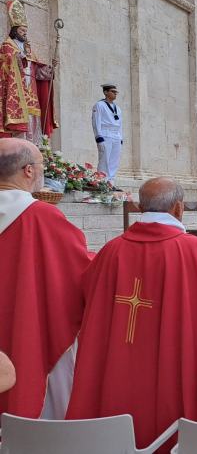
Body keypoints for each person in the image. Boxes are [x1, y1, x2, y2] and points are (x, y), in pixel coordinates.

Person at [65, 178, 197, 450]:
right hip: (173, 374)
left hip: (116, 374)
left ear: (140, 207)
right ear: (179, 209)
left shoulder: (110, 252)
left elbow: (85, 298)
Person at [0, 139, 90, 419]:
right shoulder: (42, 218)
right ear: (28, 171)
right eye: (41, 166)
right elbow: (82, 271)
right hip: (26, 333)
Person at [0, 0, 56, 140]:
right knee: (20, 130)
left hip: (32, 92)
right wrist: (19, 56)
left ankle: (35, 153)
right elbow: (6, 64)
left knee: (33, 126)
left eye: (26, 31)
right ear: (14, 31)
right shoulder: (7, 46)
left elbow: (36, 71)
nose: (25, 34)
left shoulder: (29, 50)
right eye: (22, 31)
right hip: (17, 93)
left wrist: (49, 70)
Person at [91, 84, 123, 186]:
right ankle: (101, 181)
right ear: (105, 92)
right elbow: (96, 121)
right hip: (105, 134)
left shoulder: (117, 108)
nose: (115, 94)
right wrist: (98, 137)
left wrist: (121, 137)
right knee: (104, 158)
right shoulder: (99, 105)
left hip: (116, 134)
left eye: (115, 92)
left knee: (114, 159)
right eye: (112, 91)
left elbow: (120, 124)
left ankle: (111, 182)